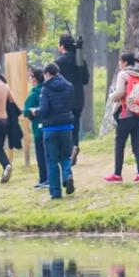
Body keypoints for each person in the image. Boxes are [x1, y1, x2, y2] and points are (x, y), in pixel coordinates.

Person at [35, 62, 75, 199]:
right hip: (66, 127)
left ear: (47, 74)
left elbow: (45, 110)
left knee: (52, 160)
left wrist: (35, 112)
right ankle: (68, 175)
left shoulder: (45, 89)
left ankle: (56, 192)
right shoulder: (69, 86)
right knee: (65, 156)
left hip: (50, 128)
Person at [106, 53, 139, 183]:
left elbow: (120, 92)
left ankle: (117, 174)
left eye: (120, 61)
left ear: (124, 62)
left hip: (125, 115)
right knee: (137, 145)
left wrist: (111, 97)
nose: (119, 63)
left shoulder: (123, 74)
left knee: (120, 145)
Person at [56, 34, 89, 165]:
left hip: (65, 99)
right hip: (79, 99)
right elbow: (85, 80)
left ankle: (68, 152)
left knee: (65, 126)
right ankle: (74, 146)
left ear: (62, 46)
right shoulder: (80, 60)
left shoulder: (59, 62)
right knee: (75, 125)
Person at [22, 66, 48, 188]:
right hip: (51, 126)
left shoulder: (33, 94)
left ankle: (44, 179)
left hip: (38, 128)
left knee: (41, 154)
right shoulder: (48, 89)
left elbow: (26, 111)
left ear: (34, 79)